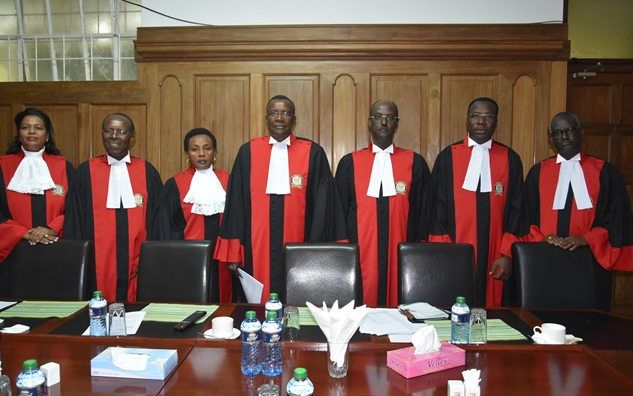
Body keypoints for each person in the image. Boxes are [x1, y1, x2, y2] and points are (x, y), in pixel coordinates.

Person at [214, 95, 347, 302]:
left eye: (286, 113)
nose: (280, 118)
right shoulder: (247, 152)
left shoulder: (313, 153)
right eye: (274, 113)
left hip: (299, 249)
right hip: (253, 248)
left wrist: (317, 250)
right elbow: (235, 207)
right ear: (266, 118)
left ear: (294, 120)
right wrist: (233, 254)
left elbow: (324, 209)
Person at [525, 112, 633, 310]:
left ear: (581, 132)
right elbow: (525, 217)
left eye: (569, 131)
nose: (564, 137)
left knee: (590, 323)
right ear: (550, 139)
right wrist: (542, 238)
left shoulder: (605, 172)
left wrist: (586, 238)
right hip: (545, 260)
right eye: (557, 133)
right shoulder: (537, 172)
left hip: (590, 261)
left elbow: (616, 219)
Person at [335, 100, 434, 307]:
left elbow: (424, 210)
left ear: (396, 124)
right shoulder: (349, 163)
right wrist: (342, 252)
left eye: (389, 118)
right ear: (369, 122)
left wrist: (421, 251)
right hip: (361, 251)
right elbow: (339, 212)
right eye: (378, 117)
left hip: (402, 249)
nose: (383, 122)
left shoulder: (415, 162)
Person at [430, 97, 526, 307]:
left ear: (496, 121)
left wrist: (507, 254)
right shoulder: (448, 157)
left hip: (496, 255)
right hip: (456, 252)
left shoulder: (510, 158)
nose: (481, 122)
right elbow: (436, 209)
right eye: (476, 116)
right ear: (467, 120)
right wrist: (446, 254)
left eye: (488, 116)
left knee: (495, 311)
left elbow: (518, 211)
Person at [68, 113, 162, 302]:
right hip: (97, 264)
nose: (114, 136)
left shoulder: (147, 172)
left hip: (138, 264)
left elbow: (158, 221)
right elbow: (74, 220)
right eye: (109, 131)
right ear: (102, 134)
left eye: (121, 132)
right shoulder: (85, 172)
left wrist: (150, 258)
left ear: (131, 137)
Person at [0, 108, 77, 296]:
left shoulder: (64, 167)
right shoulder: (2, 166)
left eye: (38, 127)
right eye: (26, 127)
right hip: (13, 253)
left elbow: (76, 208)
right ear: (19, 134)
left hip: (55, 248)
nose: (32, 132)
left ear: (47, 135)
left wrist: (51, 228)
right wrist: (23, 233)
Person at [153, 128, 231, 302]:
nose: (201, 154)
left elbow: (236, 223)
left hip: (223, 263)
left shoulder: (227, 180)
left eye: (207, 148)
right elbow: (166, 230)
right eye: (195, 149)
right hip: (187, 261)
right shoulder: (174, 185)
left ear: (215, 152)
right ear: (187, 154)